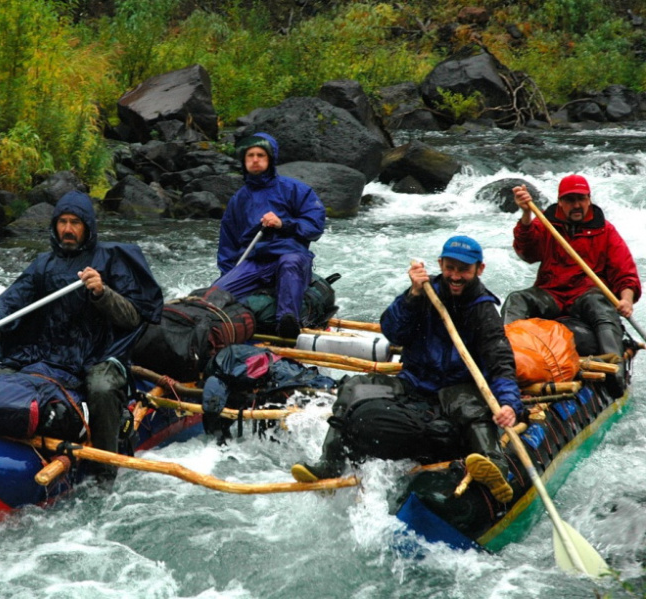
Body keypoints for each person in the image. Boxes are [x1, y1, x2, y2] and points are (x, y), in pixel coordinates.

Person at [292, 236, 524, 503]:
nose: (456, 276)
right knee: (354, 387)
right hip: (413, 381)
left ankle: (495, 464)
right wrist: (412, 296)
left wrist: (508, 404)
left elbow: (500, 361)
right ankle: (329, 462)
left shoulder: (483, 310)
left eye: (464, 270)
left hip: (457, 388)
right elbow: (393, 332)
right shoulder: (424, 293)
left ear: (479, 270)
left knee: (468, 405)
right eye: (450, 268)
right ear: (440, 264)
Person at [0, 190, 163, 476]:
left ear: (87, 226)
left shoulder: (111, 259)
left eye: (75, 223)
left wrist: (102, 292)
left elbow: (132, 318)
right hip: (47, 352)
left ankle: (104, 467)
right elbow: (11, 305)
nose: (67, 229)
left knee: (102, 389)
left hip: (99, 353)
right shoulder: (43, 265)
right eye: (62, 222)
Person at [502, 175, 641, 396]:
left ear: (589, 199)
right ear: (560, 202)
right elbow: (527, 252)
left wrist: (625, 299)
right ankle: (507, 363)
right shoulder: (546, 224)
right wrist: (526, 214)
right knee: (516, 299)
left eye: (581, 199)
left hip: (586, 296)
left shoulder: (606, 231)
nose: (576, 205)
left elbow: (625, 273)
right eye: (570, 200)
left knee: (599, 303)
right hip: (551, 294)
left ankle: (614, 374)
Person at [212, 132, 326, 340]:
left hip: (290, 256)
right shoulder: (238, 200)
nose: (255, 160)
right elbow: (228, 245)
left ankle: (287, 323)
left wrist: (284, 224)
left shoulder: (294, 189)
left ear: (270, 159)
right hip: (254, 262)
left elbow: (315, 226)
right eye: (250, 156)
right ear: (244, 161)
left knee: (289, 263)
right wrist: (227, 277)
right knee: (215, 295)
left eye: (261, 155)